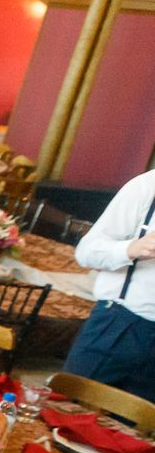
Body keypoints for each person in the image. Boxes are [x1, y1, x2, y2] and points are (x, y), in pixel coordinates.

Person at [67, 163, 155, 398]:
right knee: (67, 408)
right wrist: (132, 248)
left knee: (137, 430)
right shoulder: (145, 188)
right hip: (119, 323)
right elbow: (86, 252)